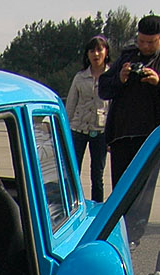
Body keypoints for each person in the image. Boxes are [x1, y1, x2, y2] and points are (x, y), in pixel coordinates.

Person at [97, 14, 160, 243]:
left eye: (150, 42)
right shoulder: (128, 55)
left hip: (153, 136)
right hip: (122, 134)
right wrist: (120, 78)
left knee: (143, 190)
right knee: (121, 187)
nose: (145, 46)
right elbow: (104, 87)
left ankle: (134, 236)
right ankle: (118, 232)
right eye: (141, 41)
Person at [67, 35, 110, 199]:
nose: (96, 54)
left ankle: (97, 207)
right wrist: (65, 130)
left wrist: (111, 136)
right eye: (92, 50)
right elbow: (71, 104)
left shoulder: (111, 77)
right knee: (73, 171)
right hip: (78, 129)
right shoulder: (80, 77)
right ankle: (72, 203)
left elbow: (113, 108)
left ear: (106, 52)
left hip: (100, 132)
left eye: (99, 50)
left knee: (97, 176)